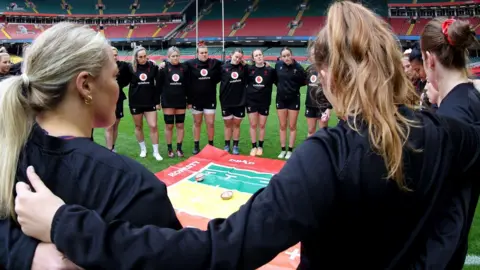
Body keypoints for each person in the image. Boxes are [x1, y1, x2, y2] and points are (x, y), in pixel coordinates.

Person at [12, 3, 480, 270]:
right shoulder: (452, 134)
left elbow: (221, 250)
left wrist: (66, 226)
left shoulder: (329, 157)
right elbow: (463, 139)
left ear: (330, 76)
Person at [0, 22, 182, 270]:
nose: (117, 86)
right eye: (114, 76)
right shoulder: (133, 186)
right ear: (85, 85)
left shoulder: (10, 152)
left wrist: (22, 251)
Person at [410, 18, 480, 269]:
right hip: (451, 246)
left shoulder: (450, 119)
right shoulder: (470, 99)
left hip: (437, 253)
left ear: (429, 60)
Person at [186, 41, 222, 154]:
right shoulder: (190, 63)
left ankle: (211, 145)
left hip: (210, 99)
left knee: (210, 123)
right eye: (202, 53)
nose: (204, 54)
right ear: (197, 54)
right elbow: (177, 65)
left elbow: (229, 64)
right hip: (196, 99)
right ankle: (196, 145)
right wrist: (164, 63)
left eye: (206, 52)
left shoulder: (214, 63)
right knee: (197, 123)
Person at [128, 46, 163, 161]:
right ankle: (143, 149)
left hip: (150, 102)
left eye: (145, 56)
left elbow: (158, 85)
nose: (143, 59)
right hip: (135, 102)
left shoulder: (152, 66)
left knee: (153, 126)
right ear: (136, 58)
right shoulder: (130, 67)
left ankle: (156, 152)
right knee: (138, 126)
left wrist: (158, 102)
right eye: (140, 57)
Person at [275, 47, 307, 159]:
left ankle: (290, 150)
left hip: (294, 100)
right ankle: (283, 149)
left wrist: (293, 88)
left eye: (288, 55)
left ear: (291, 55)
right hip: (281, 99)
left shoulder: (298, 68)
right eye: (284, 56)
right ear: (281, 57)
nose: (286, 58)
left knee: (292, 126)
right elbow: (275, 79)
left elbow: (304, 81)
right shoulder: (278, 65)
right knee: (282, 125)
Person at [157, 46, 189, 158]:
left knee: (180, 125)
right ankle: (169, 149)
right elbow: (159, 86)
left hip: (180, 101)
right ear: (168, 57)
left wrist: (188, 100)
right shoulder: (164, 68)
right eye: (173, 56)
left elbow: (188, 86)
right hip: (167, 101)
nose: (175, 58)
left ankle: (179, 148)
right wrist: (158, 102)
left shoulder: (184, 68)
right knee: (169, 126)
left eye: (177, 56)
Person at [245, 49, 276, 156]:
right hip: (251, 101)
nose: (259, 57)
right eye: (256, 55)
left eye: (260, 55)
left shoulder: (270, 71)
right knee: (253, 125)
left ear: (263, 56)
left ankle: (260, 146)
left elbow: (278, 81)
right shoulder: (249, 69)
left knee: (262, 125)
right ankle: (253, 147)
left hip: (264, 101)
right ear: (253, 58)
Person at [220, 48, 247, 155]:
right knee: (227, 125)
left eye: (240, 58)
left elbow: (255, 69)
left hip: (240, 101)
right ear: (231, 55)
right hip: (226, 101)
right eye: (236, 57)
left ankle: (235, 145)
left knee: (236, 125)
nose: (237, 59)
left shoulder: (244, 68)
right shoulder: (222, 68)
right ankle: (227, 145)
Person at [105, 47, 130, 152]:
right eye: (112, 55)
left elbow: (130, 74)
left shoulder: (123, 66)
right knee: (108, 126)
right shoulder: (103, 67)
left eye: (116, 55)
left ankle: (113, 147)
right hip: (105, 99)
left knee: (115, 125)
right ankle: (109, 149)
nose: (114, 57)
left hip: (118, 98)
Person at [304, 63, 332, 137]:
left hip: (323, 106)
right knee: (310, 130)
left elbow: (331, 89)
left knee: (322, 132)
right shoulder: (309, 69)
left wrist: (329, 107)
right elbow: (305, 82)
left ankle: (322, 148)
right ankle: (310, 148)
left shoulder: (327, 68)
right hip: (310, 104)